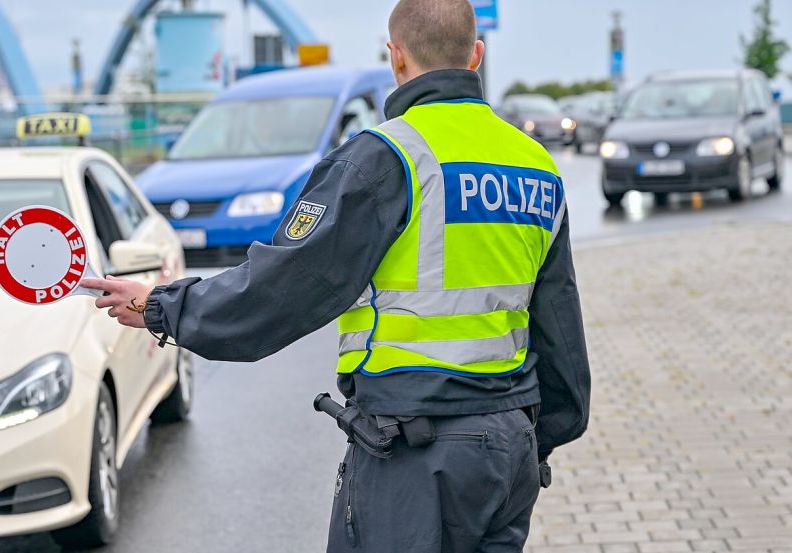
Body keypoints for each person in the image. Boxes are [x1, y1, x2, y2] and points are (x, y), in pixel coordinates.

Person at [83, 0, 591, 550]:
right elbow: (559, 320)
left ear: (395, 57)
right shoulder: (535, 163)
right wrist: (541, 434)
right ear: (477, 55)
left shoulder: (387, 158)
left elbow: (282, 290)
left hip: (418, 454)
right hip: (510, 444)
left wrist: (161, 306)